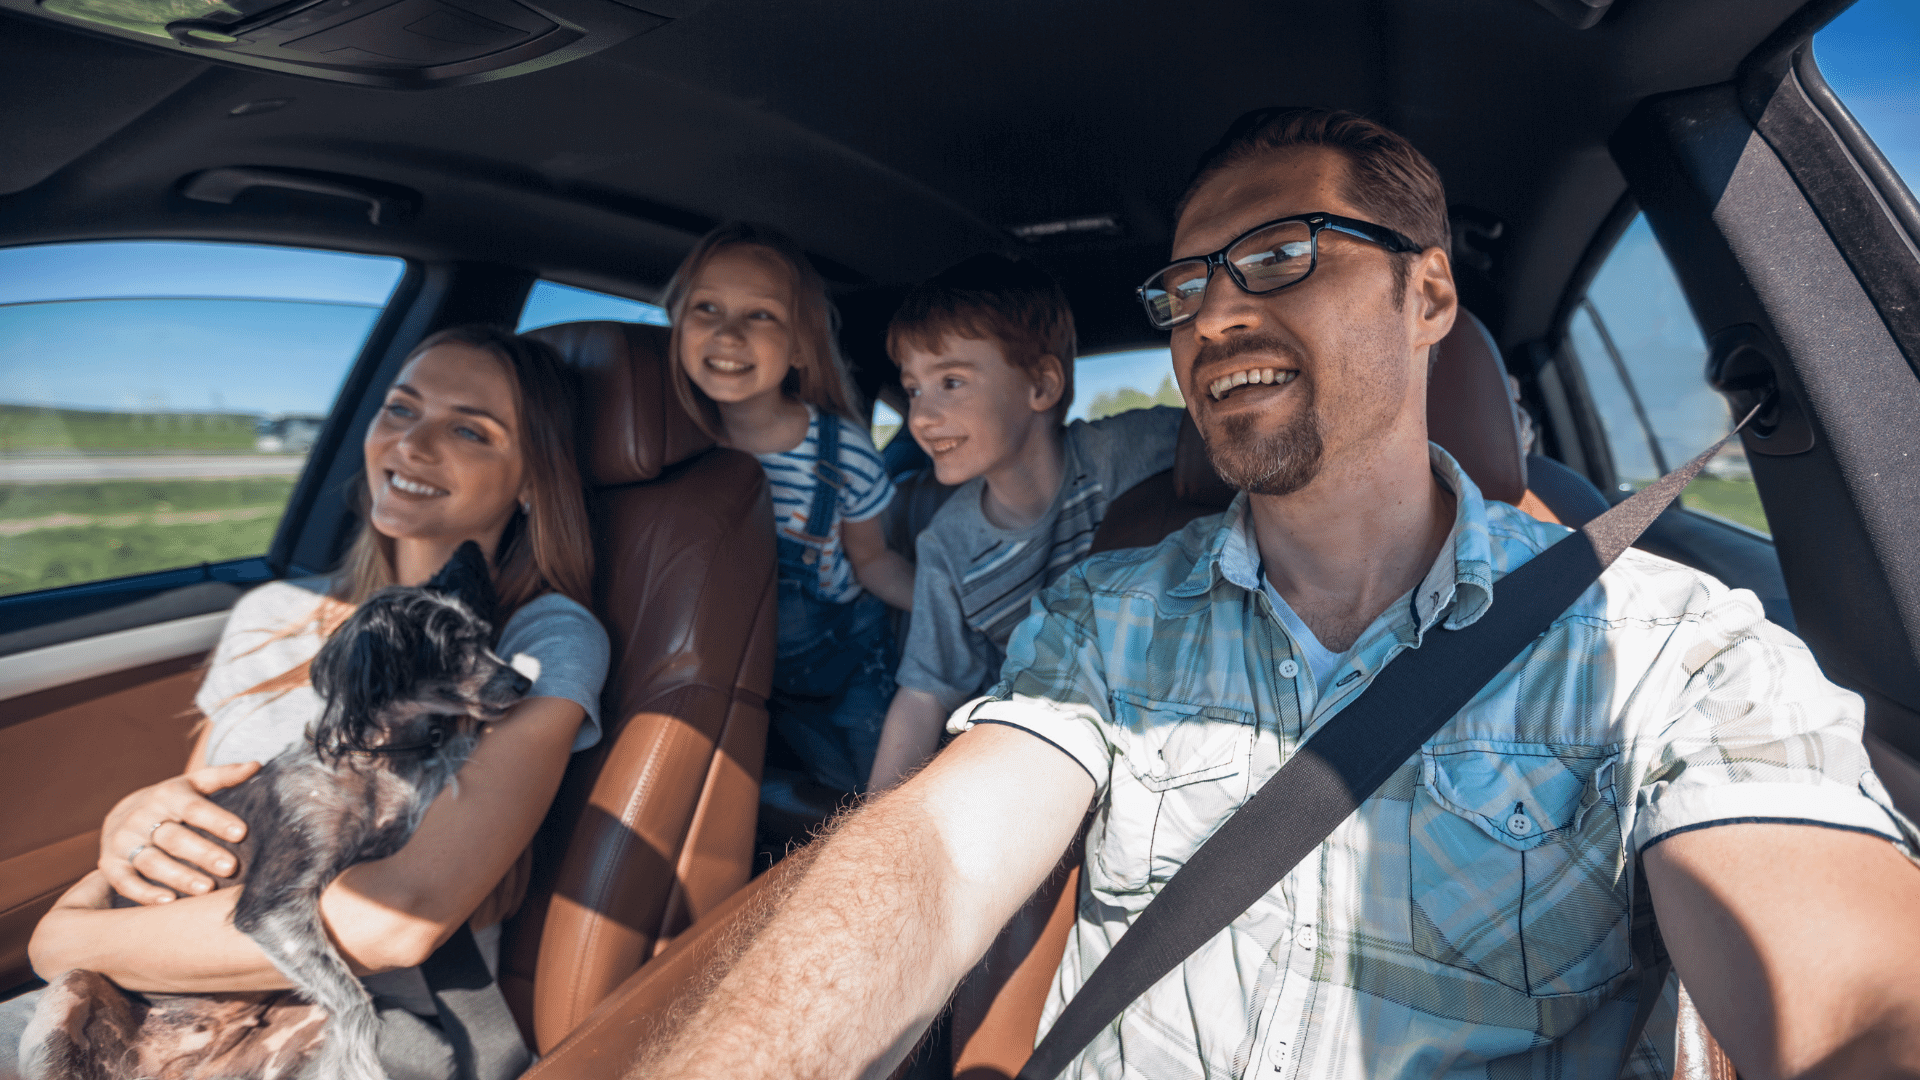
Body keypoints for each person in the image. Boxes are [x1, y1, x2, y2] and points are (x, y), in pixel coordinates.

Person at [633, 108, 1920, 1079]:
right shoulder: (1103, 617)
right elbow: (934, 858)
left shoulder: (1671, 650)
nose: (1213, 319)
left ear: (1427, 292)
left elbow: (1853, 1004)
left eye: (1282, 257)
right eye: (1185, 288)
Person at [3, 325, 611, 1078]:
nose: (412, 446)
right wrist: (132, 829)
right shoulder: (271, 613)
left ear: (531, 480)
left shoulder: (540, 640)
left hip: (350, 1011)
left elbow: (394, 919)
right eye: (399, 409)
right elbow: (212, 817)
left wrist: (65, 938)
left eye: (467, 429)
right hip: (159, 982)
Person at [866, 254, 1182, 790]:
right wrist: (866, 826)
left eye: (952, 382)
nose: (920, 416)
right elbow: (926, 692)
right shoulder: (948, 544)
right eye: (914, 389)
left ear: (1041, 386)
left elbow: (1224, 451)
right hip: (1037, 759)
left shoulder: (1125, 454)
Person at [664, 222, 913, 795]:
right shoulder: (672, 445)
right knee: (809, 792)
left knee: (873, 794)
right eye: (707, 308)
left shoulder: (840, 450)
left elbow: (873, 562)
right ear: (677, 326)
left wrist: (946, 603)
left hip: (848, 665)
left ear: (801, 346)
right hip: (753, 672)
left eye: (761, 316)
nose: (728, 333)